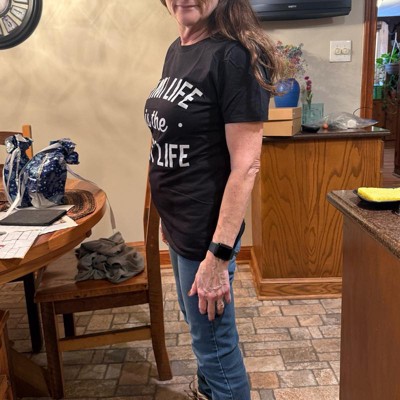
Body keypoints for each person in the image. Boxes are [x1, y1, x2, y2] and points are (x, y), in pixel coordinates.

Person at [145, 1, 282, 398]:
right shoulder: (178, 49)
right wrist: (168, 216)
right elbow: (174, 139)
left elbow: (246, 166)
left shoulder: (235, 57)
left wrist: (218, 256)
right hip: (180, 224)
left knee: (215, 350)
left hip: (206, 232)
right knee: (200, 331)